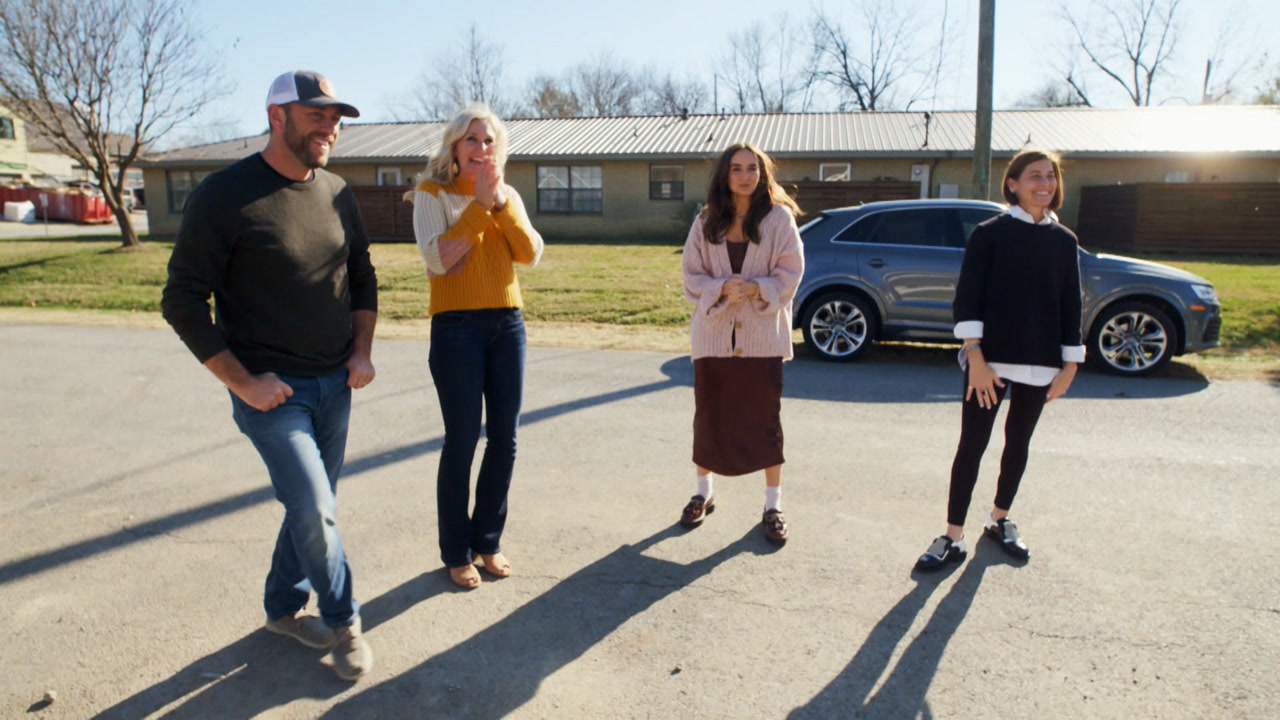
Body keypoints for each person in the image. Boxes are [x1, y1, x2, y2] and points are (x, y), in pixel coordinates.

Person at [161, 70, 376, 680]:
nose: (330, 127)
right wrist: (243, 383)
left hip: (336, 386)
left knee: (311, 507)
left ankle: (282, 609)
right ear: (277, 116)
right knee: (315, 507)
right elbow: (182, 301)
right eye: (316, 115)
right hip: (272, 396)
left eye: (335, 118)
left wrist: (361, 352)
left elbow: (361, 274)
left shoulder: (337, 191)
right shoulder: (223, 195)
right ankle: (344, 622)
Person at [915, 149, 1084, 572]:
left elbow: (1071, 305)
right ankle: (952, 536)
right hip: (989, 363)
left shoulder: (1065, 241)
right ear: (1012, 184)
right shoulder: (990, 233)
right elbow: (967, 297)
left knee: (1018, 443)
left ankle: (999, 519)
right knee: (971, 445)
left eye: (1050, 176)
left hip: (1042, 364)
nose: (1045, 183)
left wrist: (1070, 366)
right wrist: (975, 356)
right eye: (1035, 176)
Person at [410, 105, 543, 589]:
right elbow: (438, 258)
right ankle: (456, 550)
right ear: (454, 146)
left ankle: (488, 540)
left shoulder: (507, 195)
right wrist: (479, 208)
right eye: (471, 140)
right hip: (456, 328)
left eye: (489, 141)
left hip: (507, 325)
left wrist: (499, 204)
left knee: (505, 440)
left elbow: (529, 253)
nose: (481, 149)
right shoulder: (432, 193)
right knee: (462, 440)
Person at [679, 142, 804, 544]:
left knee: (764, 421)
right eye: (737, 168)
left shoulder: (779, 219)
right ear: (725, 174)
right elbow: (691, 275)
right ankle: (703, 492)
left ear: (763, 175)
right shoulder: (706, 221)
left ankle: (773, 505)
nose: (745, 175)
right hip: (713, 337)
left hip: (762, 338)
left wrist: (756, 288)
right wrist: (719, 288)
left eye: (753, 168)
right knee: (709, 417)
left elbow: (791, 272)